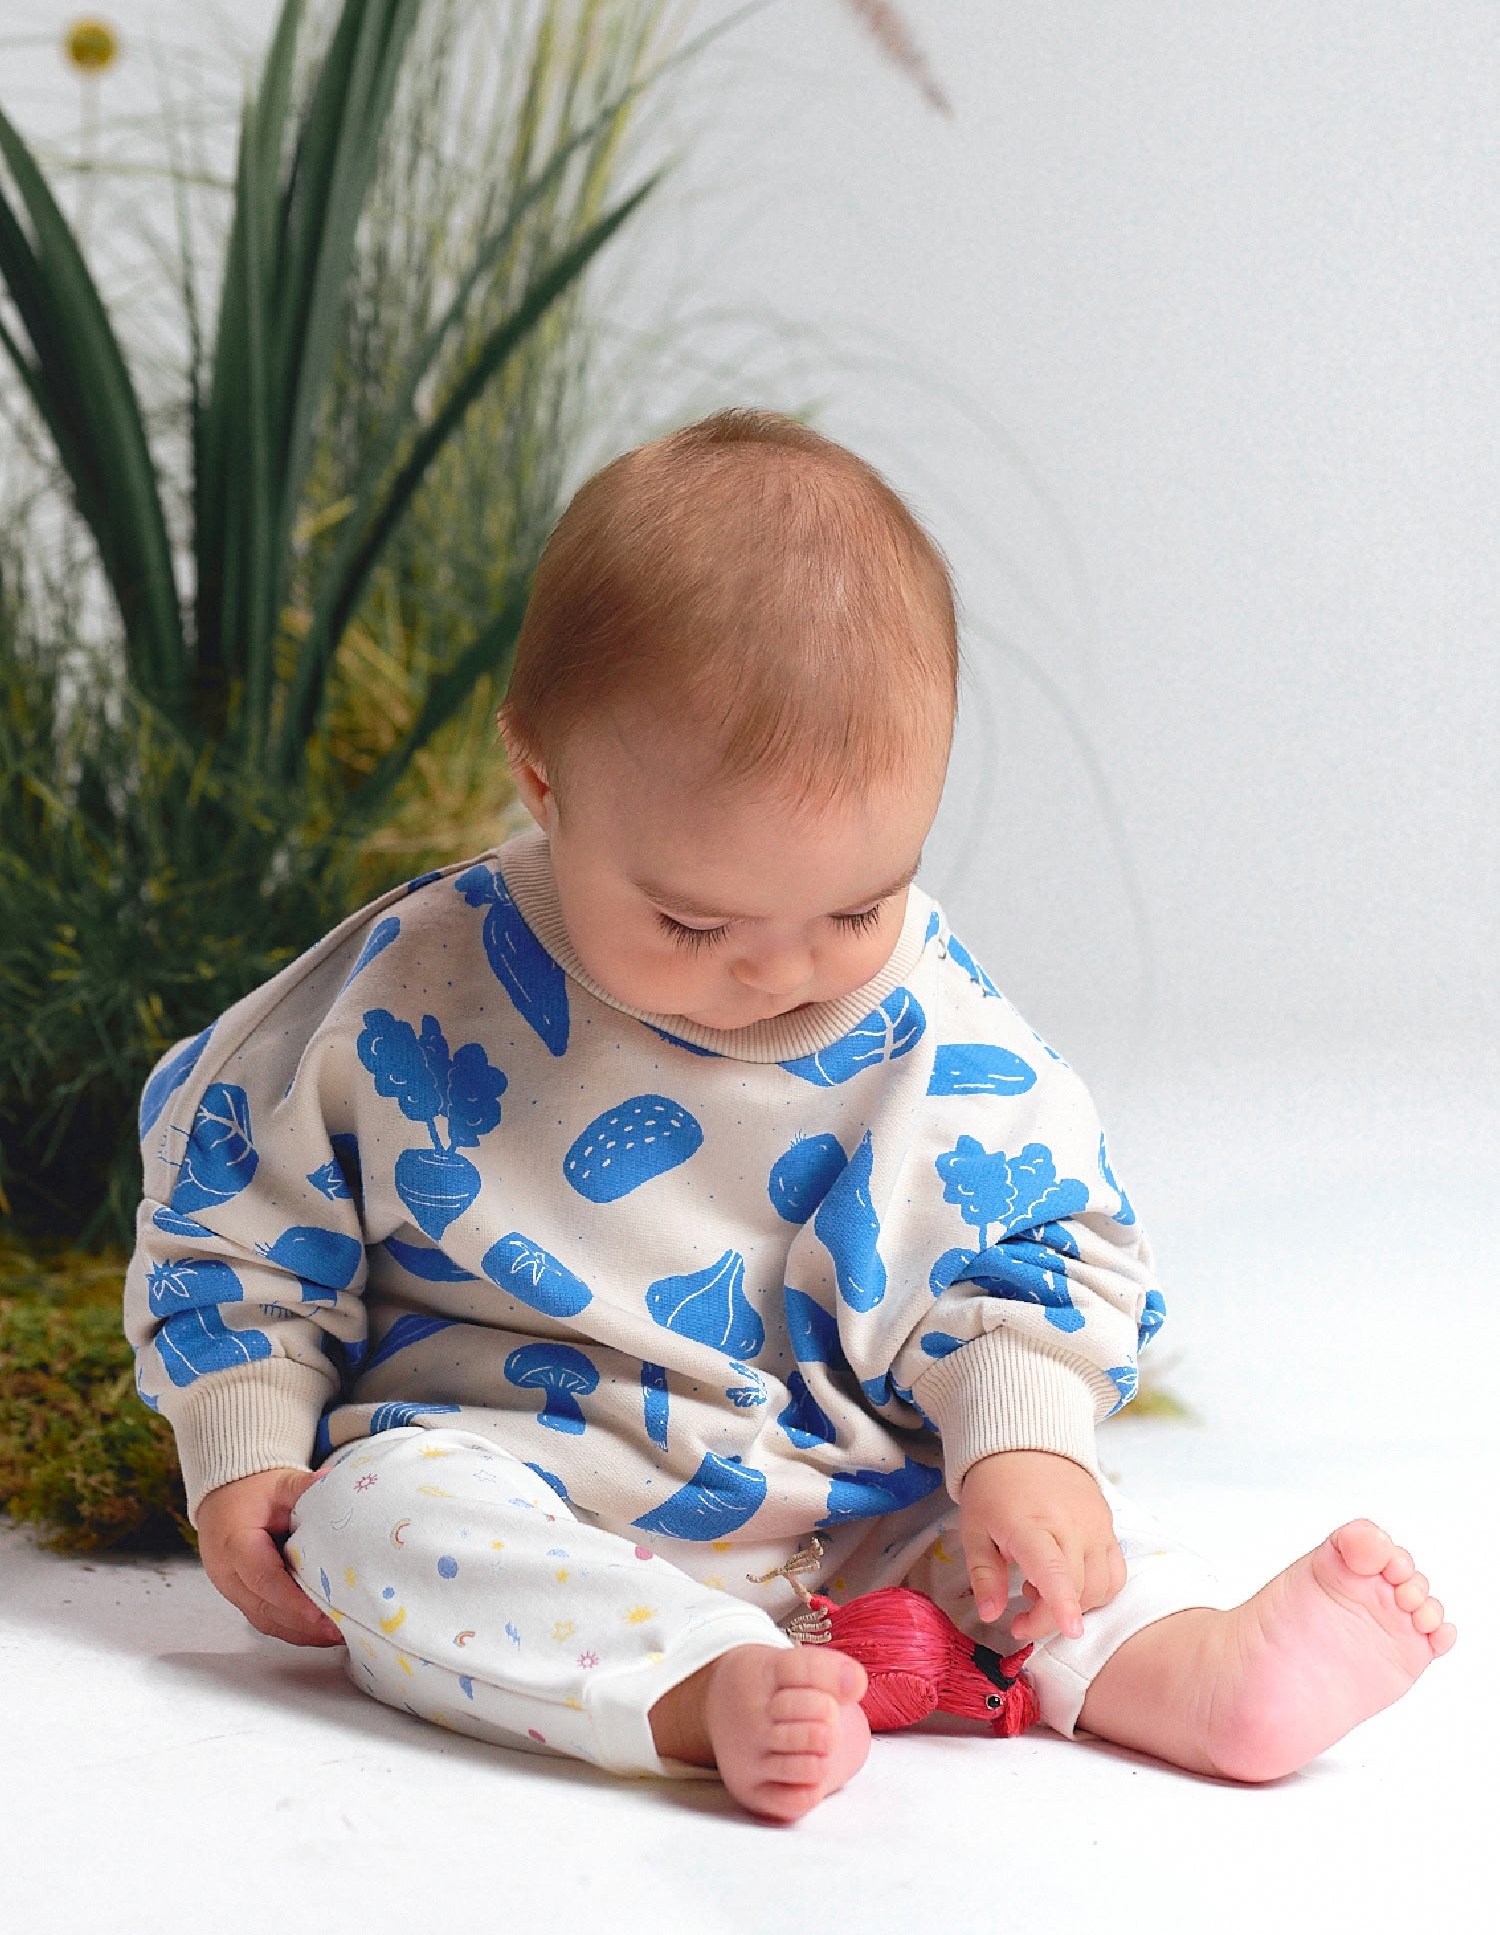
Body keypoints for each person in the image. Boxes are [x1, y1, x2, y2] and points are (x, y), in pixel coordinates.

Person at [124, 408, 1453, 1825]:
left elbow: (1034, 1240)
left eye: (854, 907)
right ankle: (696, 1688)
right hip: (524, 1489)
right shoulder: (404, 991)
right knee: (367, 1515)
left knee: (1016, 1545)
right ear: (542, 779)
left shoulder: (937, 1029)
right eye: (692, 920)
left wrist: (1020, 1440)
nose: (773, 973)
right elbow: (235, 1216)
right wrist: (250, 1436)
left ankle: (1181, 1664)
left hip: (847, 1497)